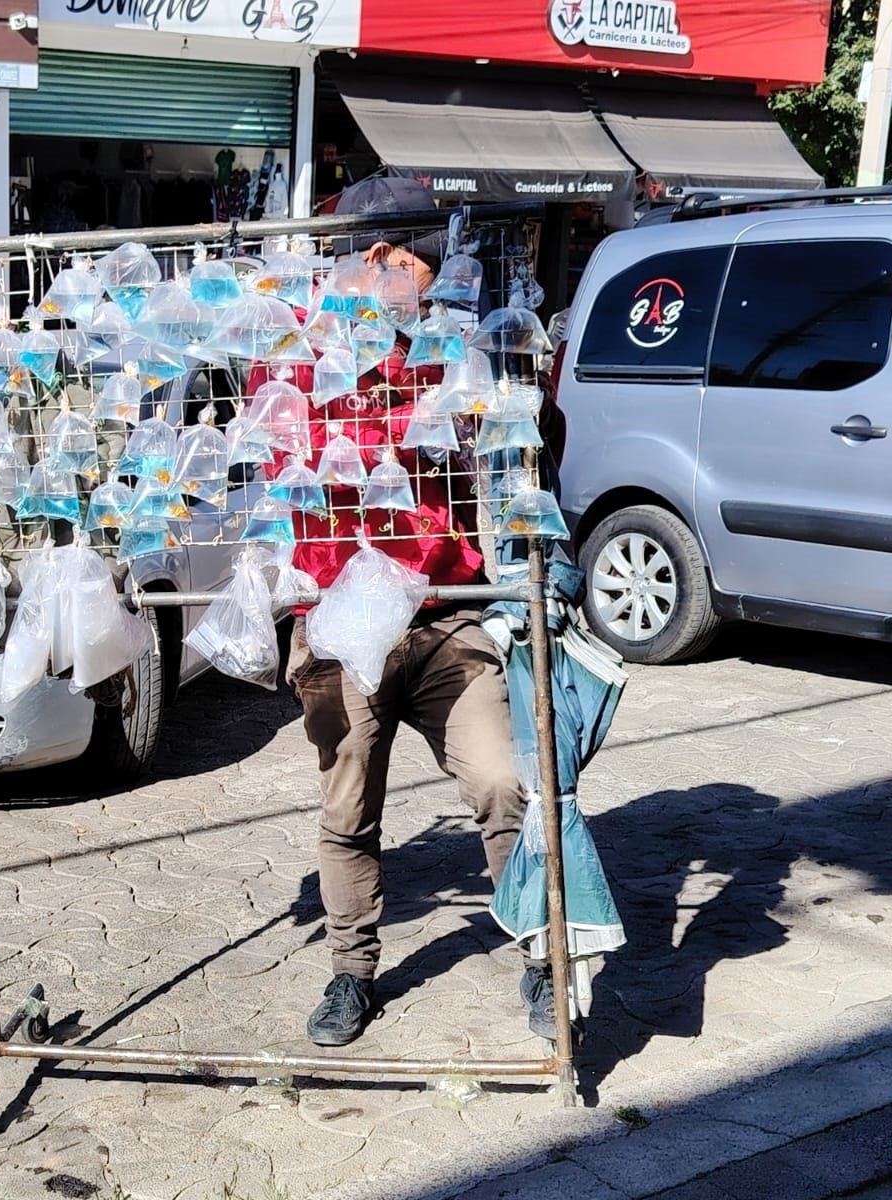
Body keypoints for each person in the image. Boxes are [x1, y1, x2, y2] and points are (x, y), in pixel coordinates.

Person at [249, 227, 555, 1049]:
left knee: (501, 783)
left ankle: (541, 955)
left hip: (443, 612)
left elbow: (520, 417)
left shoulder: (444, 348)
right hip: (344, 621)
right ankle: (351, 972)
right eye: (397, 264)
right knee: (348, 806)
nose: (406, 283)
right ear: (368, 258)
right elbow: (259, 402)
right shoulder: (303, 350)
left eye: (421, 270)